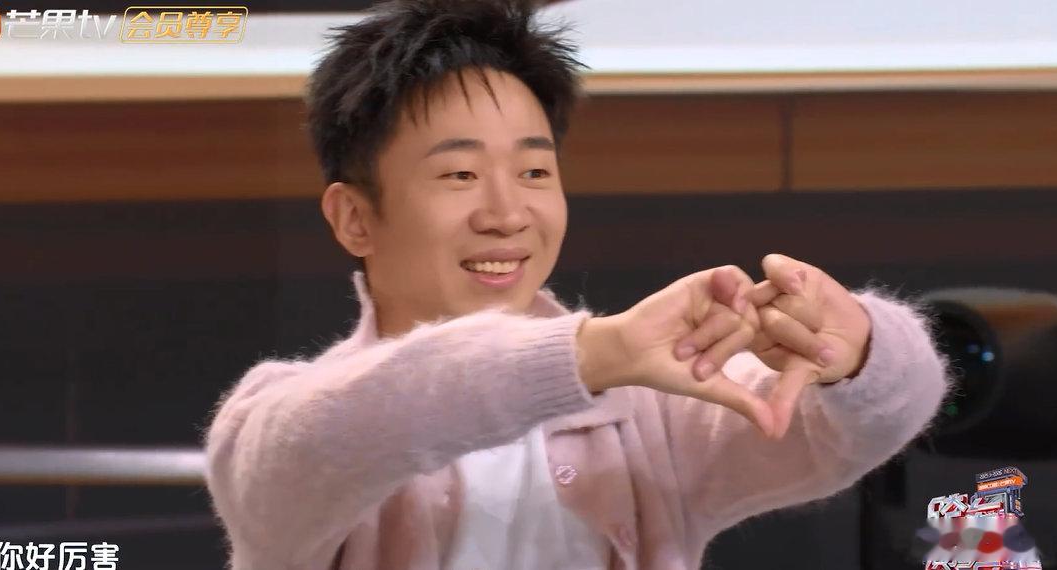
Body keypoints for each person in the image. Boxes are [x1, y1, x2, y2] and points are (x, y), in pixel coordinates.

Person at [204, 1, 950, 568]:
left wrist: (856, 349)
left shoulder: (648, 416)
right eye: (459, 175)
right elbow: (341, 429)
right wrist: (587, 355)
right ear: (354, 218)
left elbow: (869, 422)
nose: (507, 214)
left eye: (535, 171)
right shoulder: (280, 414)